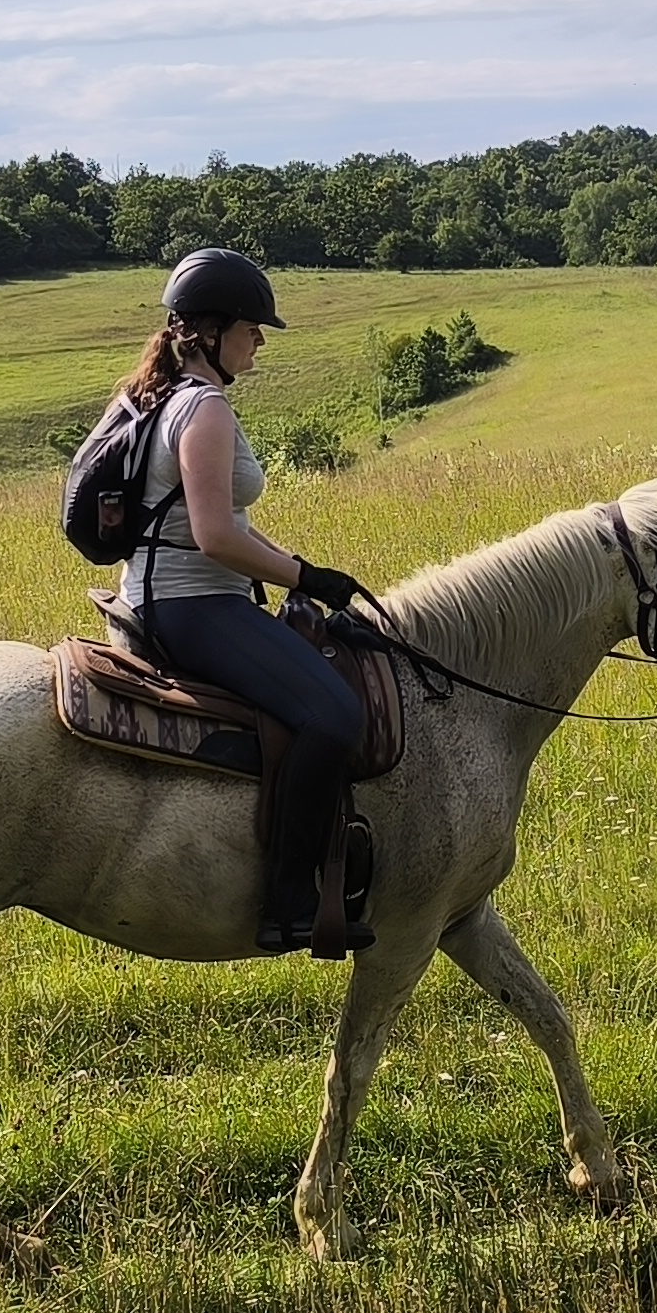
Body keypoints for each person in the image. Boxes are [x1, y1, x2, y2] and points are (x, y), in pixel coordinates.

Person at [113, 248, 376, 958]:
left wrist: (298, 571)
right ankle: (290, 902)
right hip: (191, 604)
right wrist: (305, 577)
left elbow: (219, 525)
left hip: (182, 593)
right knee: (333, 715)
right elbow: (214, 535)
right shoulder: (204, 409)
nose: (259, 338)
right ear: (210, 333)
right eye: (251, 327)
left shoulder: (166, 398)